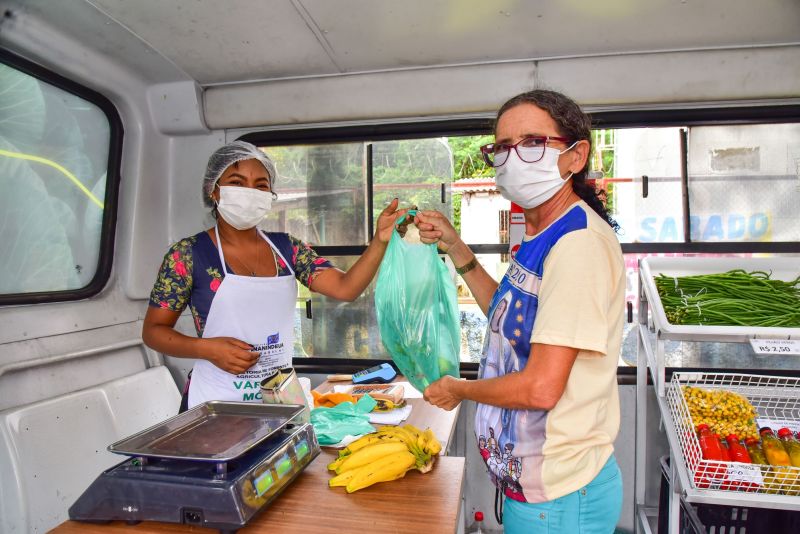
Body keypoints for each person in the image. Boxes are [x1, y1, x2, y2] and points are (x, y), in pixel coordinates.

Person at [417, 89, 625, 533]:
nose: (514, 158)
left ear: (575, 156)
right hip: (537, 487)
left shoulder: (578, 245)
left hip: (561, 496)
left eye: (533, 143)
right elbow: (508, 315)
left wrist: (459, 389)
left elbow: (541, 388)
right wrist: (456, 247)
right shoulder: (544, 233)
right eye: (502, 147)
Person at [142, 140, 409, 411]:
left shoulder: (287, 249)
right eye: (236, 182)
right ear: (214, 190)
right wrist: (208, 349)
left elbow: (346, 288)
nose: (249, 192)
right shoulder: (187, 254)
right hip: (215, 403)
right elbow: (154, 332)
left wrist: (380, 241)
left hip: (278, 399)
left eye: (260, 185)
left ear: (270, 195)